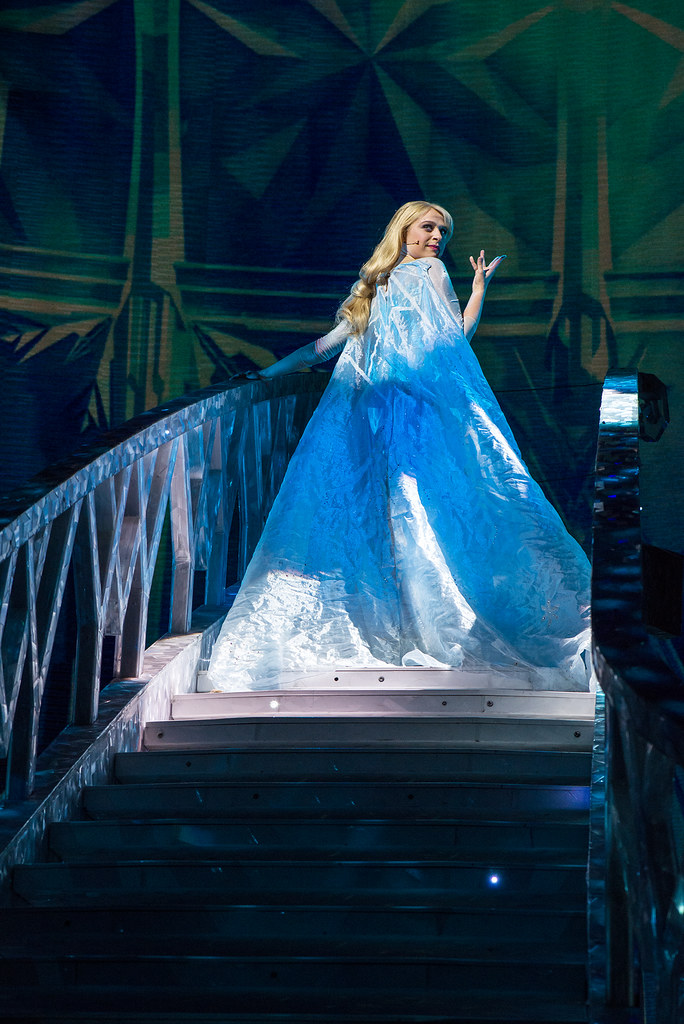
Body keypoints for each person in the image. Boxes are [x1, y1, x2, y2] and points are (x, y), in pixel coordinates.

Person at [206, 201, 591, 692]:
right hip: (405, 415)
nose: (437, 238)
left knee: (382, 519)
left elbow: (447, 338)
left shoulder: (414, 274)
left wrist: (478, 290)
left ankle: (395, 628)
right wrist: (266, 373)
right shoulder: (391, 280)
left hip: (380, 418)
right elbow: (328, 347)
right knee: (419, 516)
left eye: (443, 231)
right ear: (404, 229)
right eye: (429, 227)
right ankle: (418, 626)